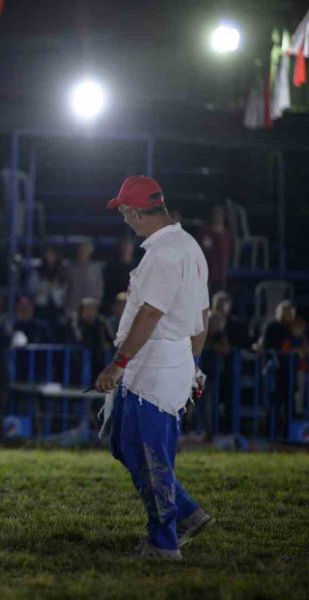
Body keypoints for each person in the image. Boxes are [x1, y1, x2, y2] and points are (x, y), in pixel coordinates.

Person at [94, 176, 213, 560]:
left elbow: (149, 314)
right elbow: (204, 315)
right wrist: (194, 365)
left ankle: (164, 543)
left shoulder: (162, 254)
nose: (123, 219)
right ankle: (187, 513)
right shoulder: (189, 246)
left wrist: (117, 364)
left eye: (124, 212)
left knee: (149, 456)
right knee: (124, 444)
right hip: (169, 362)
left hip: (153, 366)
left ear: (134, 211)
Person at [196, 205, 233, 295]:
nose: (217, 216)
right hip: (205, 274)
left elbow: (230, 253)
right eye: (215, 213)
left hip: (221, 275)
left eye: (220, 213)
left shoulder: (227, 235)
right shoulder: (204, 232)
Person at [64, 241, 103, 319]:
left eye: (85, 251)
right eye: (81, 251)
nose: (83, 253)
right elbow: (66, 287)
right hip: (73, 307)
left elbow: (99, 288)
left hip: (90, 307)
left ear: (89, 253)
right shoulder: (70, 269)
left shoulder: (96, 270)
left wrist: (96, 304)